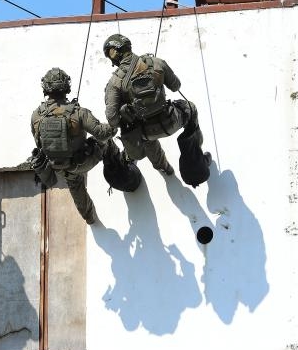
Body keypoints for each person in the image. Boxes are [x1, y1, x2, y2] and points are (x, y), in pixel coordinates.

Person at [102, 33, 208, 179]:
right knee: (191, 108)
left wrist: (127, 113)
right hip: (172, 121)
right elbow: (176, 86)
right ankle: (196, 157)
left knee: (147, 141)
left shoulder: (115, 82)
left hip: (146, 132)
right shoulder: (156, 63)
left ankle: (164, 168)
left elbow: (112, 119)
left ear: (114, 53)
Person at [31, 67, 116, 224]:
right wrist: (115, 125)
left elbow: (38, 142)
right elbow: (102, 133)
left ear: (46, 88)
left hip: (55, 166)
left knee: (75, 183)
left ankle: (90, 218)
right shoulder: (78, 112)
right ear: (66, 88)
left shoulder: (37, 115)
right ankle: (120, 167)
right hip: (79, 163)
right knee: (107, 142)